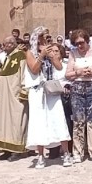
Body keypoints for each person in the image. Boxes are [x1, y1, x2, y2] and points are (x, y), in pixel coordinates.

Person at [24, 27, 71, 169]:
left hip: (51, 90)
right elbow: (34, 69)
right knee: (39, 123)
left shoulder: (50, 50)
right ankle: (40, 156)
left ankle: (66, 153)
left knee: (58, 119)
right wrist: (41, 55)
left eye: (47, 37)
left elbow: (58, 67)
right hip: (37, 91)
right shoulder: (30, 53)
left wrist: (51, 55)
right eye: (44, 37)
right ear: (37, 38)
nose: (47, 39)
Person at [64, 28, 92, 163]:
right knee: (78, 120)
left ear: (87, 41)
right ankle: (77, 151)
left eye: (82, 43)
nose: (79, 46)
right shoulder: (73, 54)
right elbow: (67, 74)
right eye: (77, 44)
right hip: (78, 88)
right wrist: (78, 72)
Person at [0, 36, 28, 156]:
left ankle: (17, 150)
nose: (3, 47)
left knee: (16, 123)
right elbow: (6, 75)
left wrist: (24, 91)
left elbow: (24, 74)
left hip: (14, 96)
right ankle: (6, 149)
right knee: (4, 124)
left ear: (11, 44)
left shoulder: (20, 56)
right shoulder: (8, 58)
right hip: (4, 97)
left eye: (5, 45)